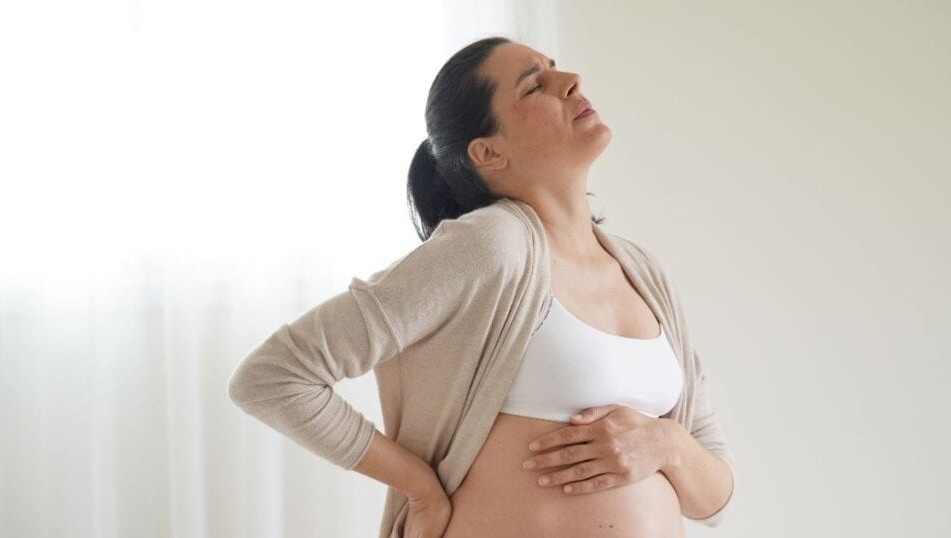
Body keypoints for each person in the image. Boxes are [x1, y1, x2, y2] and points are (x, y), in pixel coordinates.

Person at [228, 35, 735, 538]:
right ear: (488, 152)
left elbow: (711, 499)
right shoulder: (492, 246)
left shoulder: (644, 272)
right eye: (535, 86)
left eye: (555, 69)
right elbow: (274, 377)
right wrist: (419, 488)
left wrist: (666, 444)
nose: (570, 81)